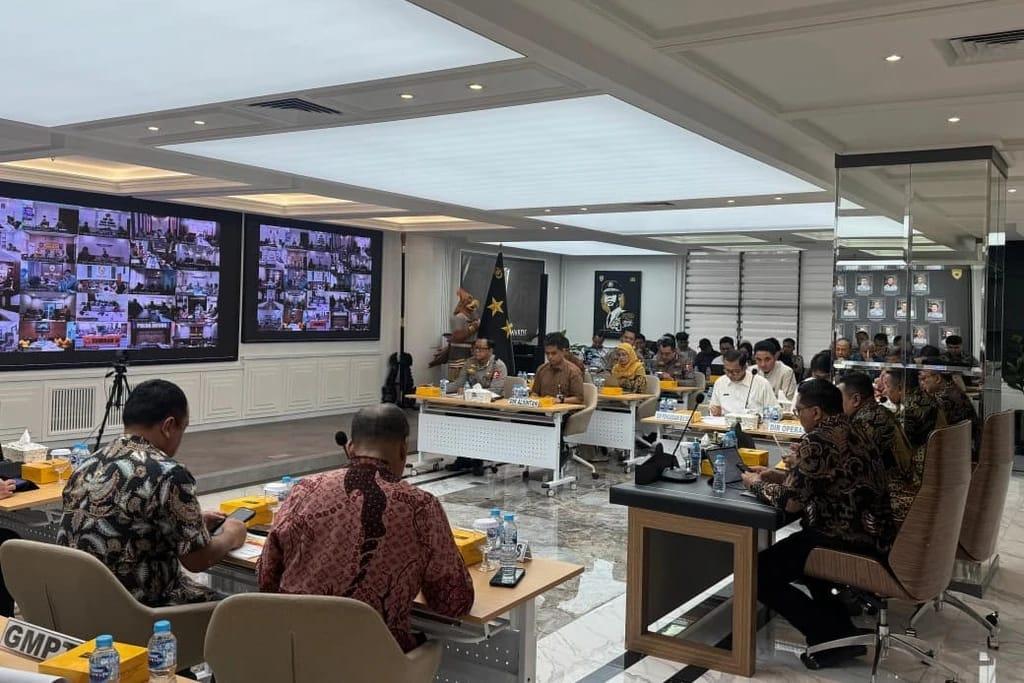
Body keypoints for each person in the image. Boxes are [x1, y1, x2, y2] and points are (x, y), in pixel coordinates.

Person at [258, 404, 474, 652]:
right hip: (375, 660)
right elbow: (453, 603)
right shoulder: (421, 507)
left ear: (350, 447)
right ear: (403, 450)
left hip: (294, 652)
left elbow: (266, 578)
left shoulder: (304, 490)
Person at [741, 380, 894, 669]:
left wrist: (755, 484)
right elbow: (824, 479)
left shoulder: (818, 440)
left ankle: (827, 636)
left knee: (757, 572)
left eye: (798, 410)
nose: (797, 415)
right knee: (807, 565)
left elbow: (792, 503)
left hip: (843, 536)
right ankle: (842, 634)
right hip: (873, 533)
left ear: (816, 412)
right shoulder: (856, 428)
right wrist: (777, 475)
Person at [58, 379, 246, 606]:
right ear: (168, 426)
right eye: (183, 429)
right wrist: (231, 535)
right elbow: (198, 560)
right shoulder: (169, 473)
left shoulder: (87, 464)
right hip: (141, 608)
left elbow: (128, 525)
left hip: (80, 603)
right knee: (240, 610)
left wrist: (192, 524)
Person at [446, 338, 509, 475]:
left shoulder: (498, 365)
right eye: (475, 348)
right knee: (453, 414)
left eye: (481, 349)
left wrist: (472, 392)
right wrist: (441, 389)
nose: (477, 351)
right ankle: (462, 457)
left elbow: (496, 390)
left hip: (491, 407)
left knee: (478, 420)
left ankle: (477, 460)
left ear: (490, 350)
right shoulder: (470, 362)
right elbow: (459, 383)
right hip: (472, 405)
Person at [839, 373, 903, 484]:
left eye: (839, 399)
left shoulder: (865, 422)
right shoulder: (878, 412)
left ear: (856, 399)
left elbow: (850, 465)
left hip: (892, 488)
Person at [919, 359, 980, 457]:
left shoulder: (944, 399)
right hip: (965, 449)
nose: (921, 383)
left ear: (937, 378)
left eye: (923, 378)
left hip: (956, 454)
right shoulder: (952, 390)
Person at [709, 350, 779, 417]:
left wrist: (759, 417)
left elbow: (775, 412)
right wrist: (715, 411)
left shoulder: (761, 383)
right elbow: (714, 407)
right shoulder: (720, 382)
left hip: (753, 423)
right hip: (724, 423)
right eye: (727, 370)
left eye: (735, 371)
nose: (730, 375)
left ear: (745, 367)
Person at [532, 332, 584, 404]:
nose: (550, 357)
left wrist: (560, 400)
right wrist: (534, 399)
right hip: (544, 407)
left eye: (554, 353)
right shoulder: (541, 369)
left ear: (563, 352)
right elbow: (535, 393)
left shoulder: (573, 371)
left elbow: (579, 399)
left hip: (564, 408)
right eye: (547, 353)